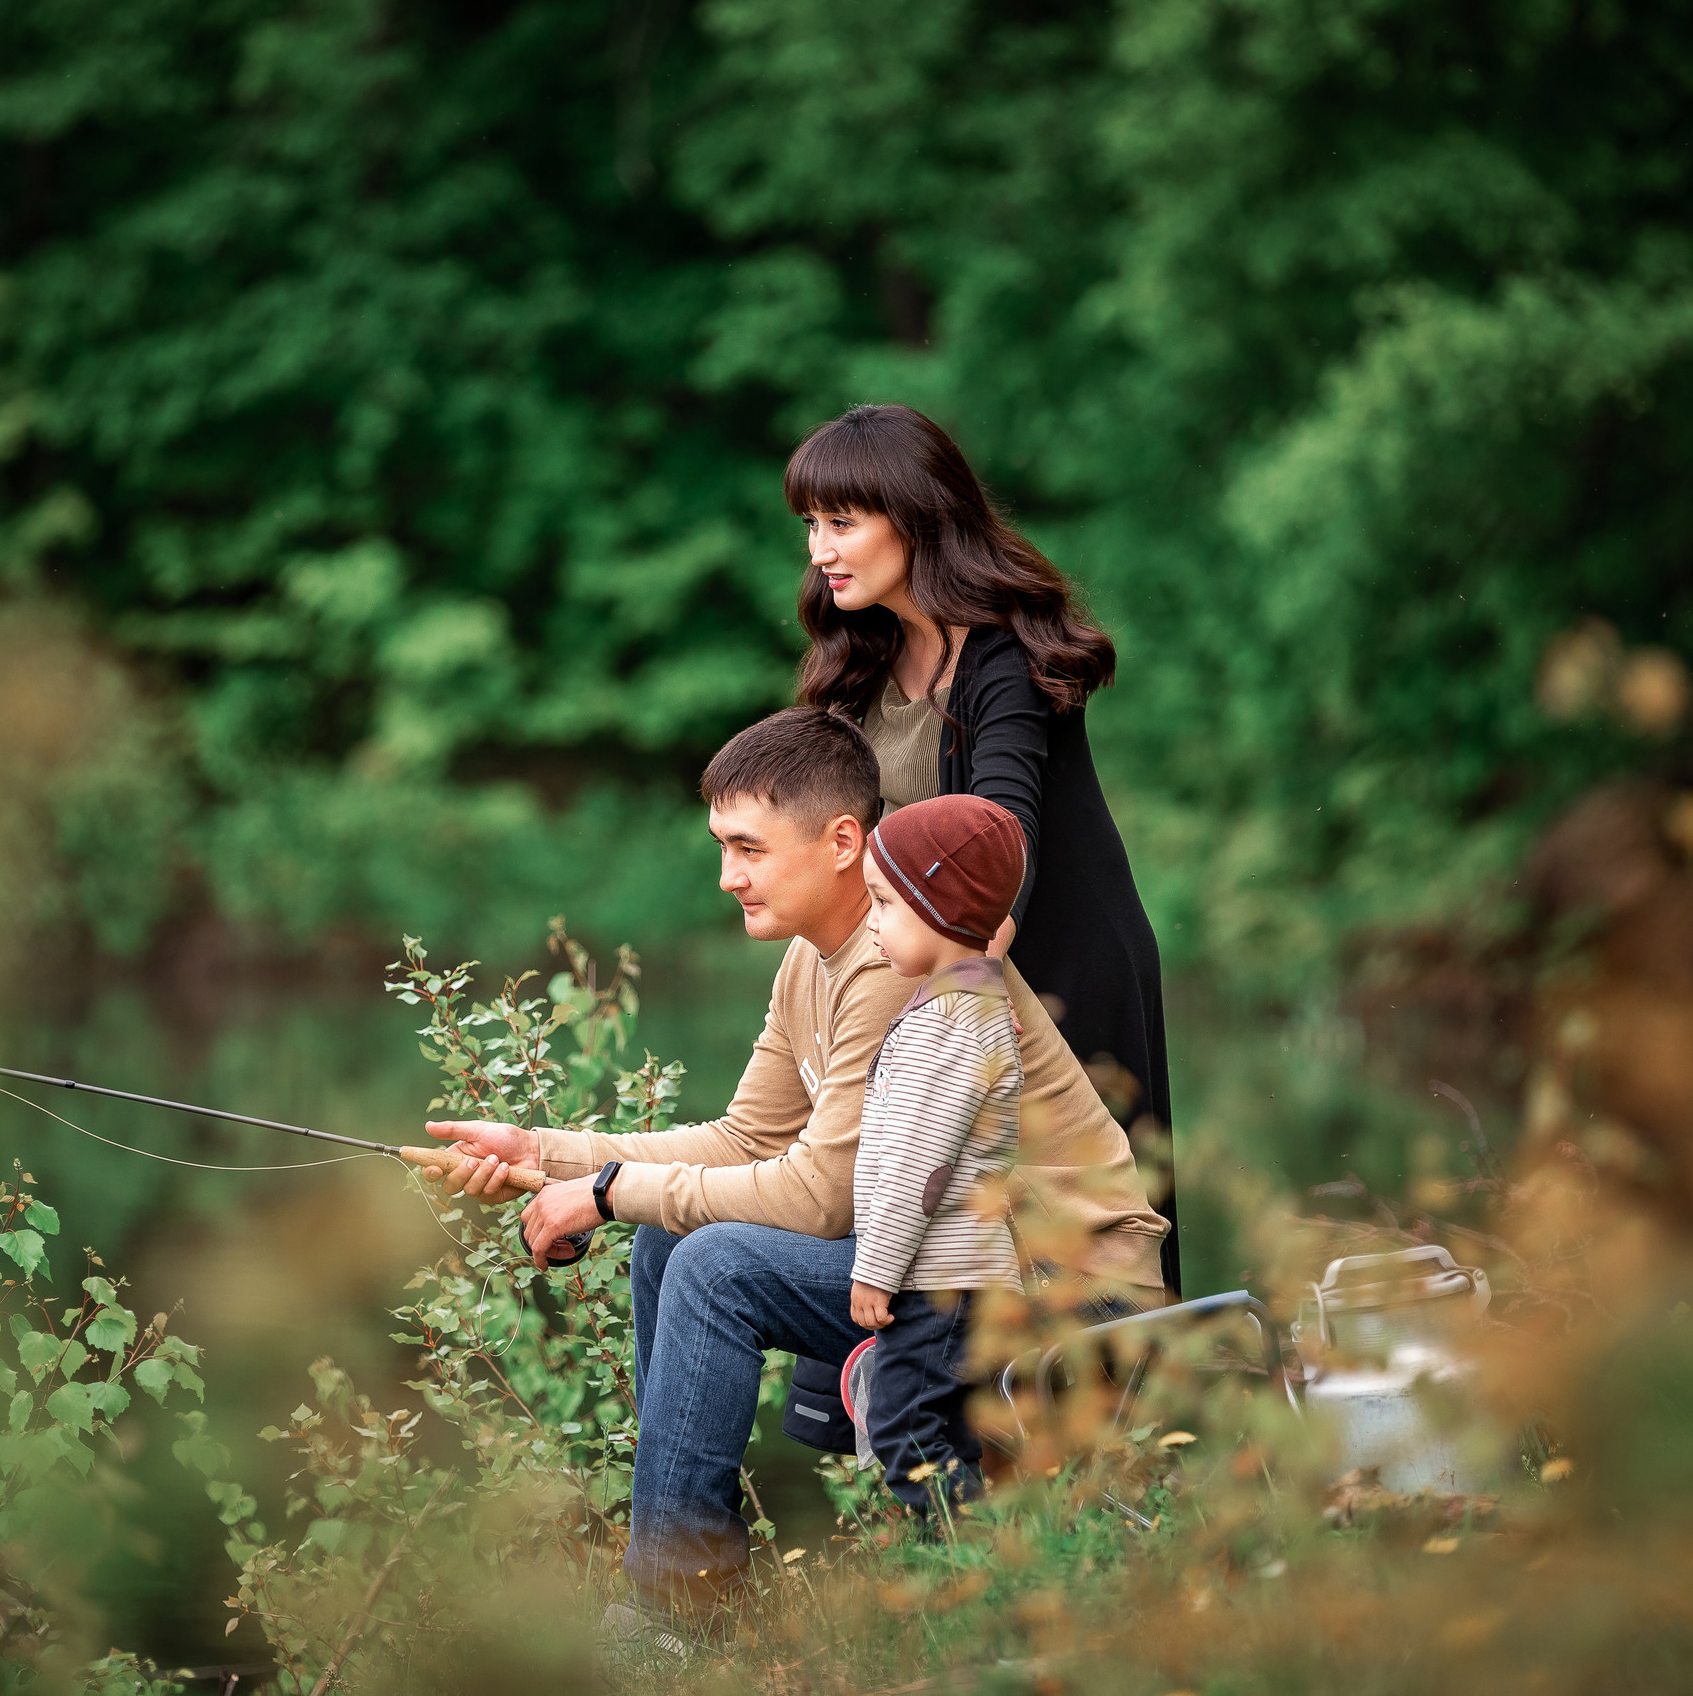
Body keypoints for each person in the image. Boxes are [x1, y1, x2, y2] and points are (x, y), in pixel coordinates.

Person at [424, 706, 1166, 1612]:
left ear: (843, 841)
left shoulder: (905, 962)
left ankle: (674, 1610)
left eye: (749, 848)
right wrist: (549, 1152)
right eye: (721, 847)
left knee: (713, 1265)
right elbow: (743, 1141)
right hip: (964, 1271)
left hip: (1065, 1283)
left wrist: (609, 1195)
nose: (727, 876)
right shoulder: (816, 960)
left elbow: (821, 1196)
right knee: (670, 1243)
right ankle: (691, 1586)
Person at [787, 404, 1183, 1298]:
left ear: (917, 515)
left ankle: (1137, 1429)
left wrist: (949, 989)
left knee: (1082, 1264)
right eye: (812, 524)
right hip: (940, 980)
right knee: (943, 1250)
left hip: (1057, 973)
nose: (819, 548)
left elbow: (1005, 838)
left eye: (842, 522)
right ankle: (922, 1429)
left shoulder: (1001, 651)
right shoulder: (859, 662)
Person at [846, 794, 1029, 1521]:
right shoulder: (959, 1008)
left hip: (945, 1275)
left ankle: (965, 1560)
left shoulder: (951, 1024)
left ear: (941, 906)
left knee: (898, 1421)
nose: (871, 921)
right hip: (958, 1270)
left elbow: (920, 1171)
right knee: (944, 1425)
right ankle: (970, 1573)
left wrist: (875, 1269)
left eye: (885, 902)